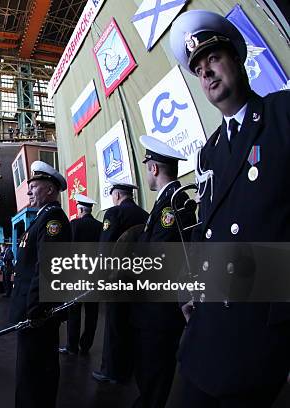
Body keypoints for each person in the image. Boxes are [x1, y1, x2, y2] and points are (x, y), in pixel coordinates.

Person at [169, 10, 290, 407]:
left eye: (214, 59)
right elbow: (210, 227)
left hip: (261, 328)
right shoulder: (210, 152)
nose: (206, 73)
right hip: (207, 328)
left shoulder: (281, 115)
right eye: (199, 69)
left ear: (238, 60)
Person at [129, 136, 196, 408]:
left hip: (161, 310)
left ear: (154, 169)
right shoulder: (165, 202)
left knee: (155, 372)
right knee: (148, 369)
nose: (147, 173)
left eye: (147, 167)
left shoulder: (171, 206)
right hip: (153, 308)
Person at [9, 161, 71, 408]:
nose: (29, 191)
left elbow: (48, 269)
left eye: (33, 186)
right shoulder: (42, 218)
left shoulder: (53, 220)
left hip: (37, 315)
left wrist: (34, 310)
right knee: (29, 371)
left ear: (49, 190)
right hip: (32, 311)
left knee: (35, 373)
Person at [93, 179, 148, 384]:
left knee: (115, 325)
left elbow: (105, 248)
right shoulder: (145, 215)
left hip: (117, 279)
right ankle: (129, 368)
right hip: (139, 278)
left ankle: (111, 371)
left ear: (116, 195)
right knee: (131, 324)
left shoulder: (114, 213)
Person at [59, 194, 101, 356]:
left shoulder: (74, 225)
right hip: (94, 276)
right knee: (92, 313)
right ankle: (86, 345)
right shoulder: (99, 226)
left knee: (73, 312)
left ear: (81, 209)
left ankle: (72, 346)